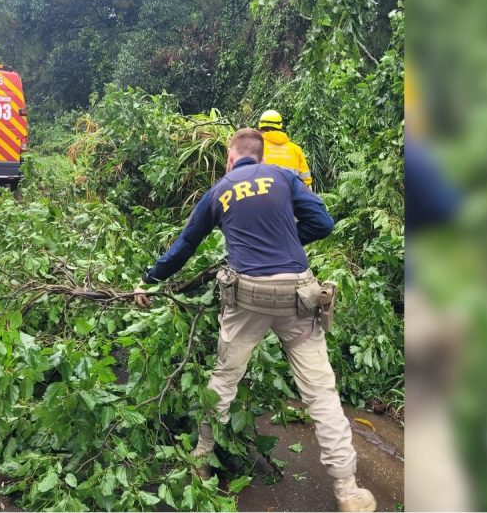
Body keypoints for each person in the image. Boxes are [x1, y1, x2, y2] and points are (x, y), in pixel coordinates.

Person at [134, 128, 376, 512]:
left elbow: (184, 245)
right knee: (321, 392)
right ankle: (348, 490)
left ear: (230, 159)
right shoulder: (283, 176)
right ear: (261, 158)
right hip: (298, 293)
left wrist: (150, 278)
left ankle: (201, 459)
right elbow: (324, 223)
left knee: (225, 377)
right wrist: (290, 240)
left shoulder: (219, 190)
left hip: (248, 296)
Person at [257, 109, 313, 188]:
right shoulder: (296, 149)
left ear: (260, 128)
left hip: (264, 197)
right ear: (280, 127)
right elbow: (306, 180)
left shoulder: (256, 148)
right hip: (290, 197)